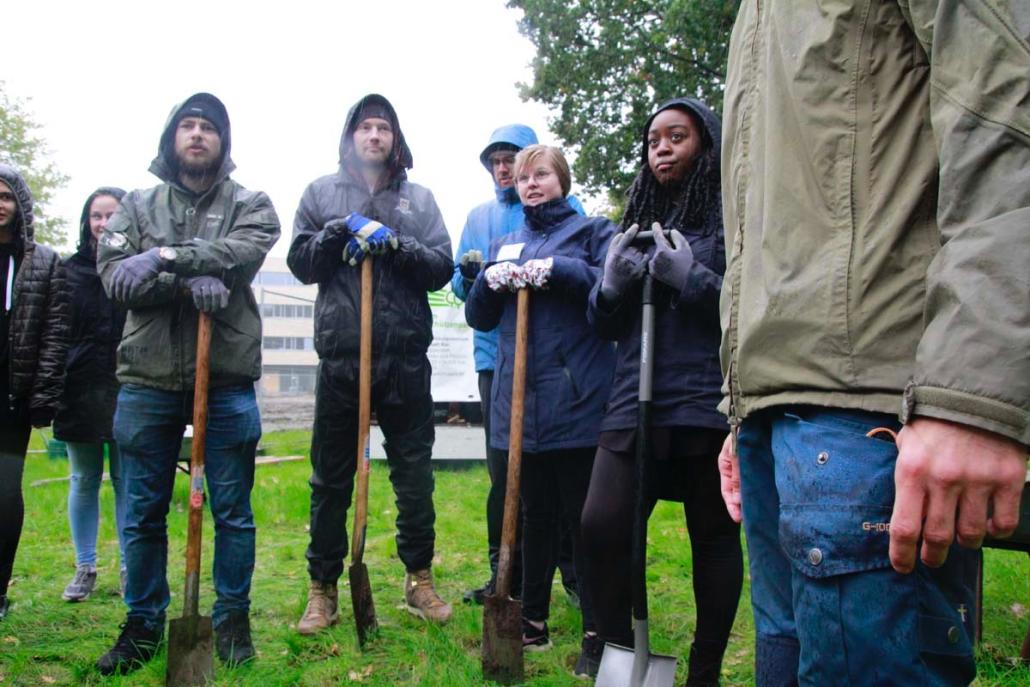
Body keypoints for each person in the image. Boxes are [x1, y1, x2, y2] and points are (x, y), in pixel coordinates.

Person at [718, 4, 1029, 685]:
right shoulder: (752, 14)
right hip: (776, 417)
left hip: (881, 414)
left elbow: (1007, 101)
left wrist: (974, 388)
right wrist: (741, 404)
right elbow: (767, 208)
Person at [95, 93, 281, 674]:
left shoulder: (252, 203)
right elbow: (116, 280)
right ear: (171, 138)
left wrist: (165, 255)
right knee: (142, 509)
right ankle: (143, 622)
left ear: (223, 142)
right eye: (187, 126)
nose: (197, 135)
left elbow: (244, 254)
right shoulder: (135, 204)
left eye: (208, 128)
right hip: (147, 377)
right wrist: (193, 277)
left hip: (224, 376)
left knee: (233, 508)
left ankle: (231, 619)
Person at [582, 98, 742, 683]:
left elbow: (743, 307)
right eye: (653, 140)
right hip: (632, 395)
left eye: (677, 136)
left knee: (714, 537)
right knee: (601, 525)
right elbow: (602, 325)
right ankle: (620, 647)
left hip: (703, 398)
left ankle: (705, 666)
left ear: (705, 144)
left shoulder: (730, 220)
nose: (662, 148)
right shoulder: (633, 226)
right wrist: (608, 287)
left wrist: (692, 278)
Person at [288, 93, 454, 632]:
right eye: (366, 127)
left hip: (404, 359)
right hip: (342, 358)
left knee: (414, 475)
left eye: (384, 127)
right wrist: (342, 230)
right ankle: (322, 589)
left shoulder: (419, 200)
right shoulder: (321, 193)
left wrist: (394, 245)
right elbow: (300, 262)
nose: (375, 135)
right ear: (351, 136)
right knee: (330, 478)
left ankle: (419, 580)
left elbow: (440, 268)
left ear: (396, 139)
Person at [465, 144, 615, 677]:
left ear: (563, 181)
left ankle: (598, 629)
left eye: (541, 174)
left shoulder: (593, 233)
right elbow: (479, 317)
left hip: (575, 404)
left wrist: (564, 271)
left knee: (583, 521)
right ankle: (531, 620)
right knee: (532, 518)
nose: (529, 183)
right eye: (523, 177)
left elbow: (610, 294)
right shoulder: (505, 243)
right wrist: (487, 281)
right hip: (518, 406)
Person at [451, 124, 585, 606]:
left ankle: (572, 578)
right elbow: (462, 291)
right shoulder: (481, 218)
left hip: (559, 368)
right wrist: (473, 277)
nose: (509, 171)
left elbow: (587, 274)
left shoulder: (578, 219)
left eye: (520, 162)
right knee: (507, 476)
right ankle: (505, 577)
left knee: (562, 478)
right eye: (500, 163)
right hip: (500, 361)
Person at [0, 164, 69, 621]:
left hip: (12, 398)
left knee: (5, 492)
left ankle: (0, 587)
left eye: (6, 195)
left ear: (20, 204)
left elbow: (55, 333)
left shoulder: (44, 262)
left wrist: (43, 395)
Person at [54, 186, 128, 602]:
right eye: (96, 216)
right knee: (83, 478)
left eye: (112, 216)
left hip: (126, 388)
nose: (103, 224)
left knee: (125, 481)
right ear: (86, 221)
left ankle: (128, 568)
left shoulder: (135, 268)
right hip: (78, 388)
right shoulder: (67, 272)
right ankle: (85, 567)